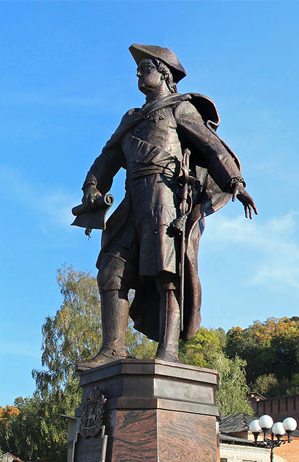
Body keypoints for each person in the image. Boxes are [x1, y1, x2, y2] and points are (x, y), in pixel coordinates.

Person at [75, 44, 257, 369]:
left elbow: (211, 147)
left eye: (145, 66)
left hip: (164, 198)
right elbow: (108, 158)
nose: (137, 72)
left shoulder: (180, 109)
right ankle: (113, 348)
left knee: (166, 272)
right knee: (111, 271)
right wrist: (92, 186)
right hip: (132, 200)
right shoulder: (132, 118)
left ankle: (168, 350)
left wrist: (235, 182)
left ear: (164, 72)